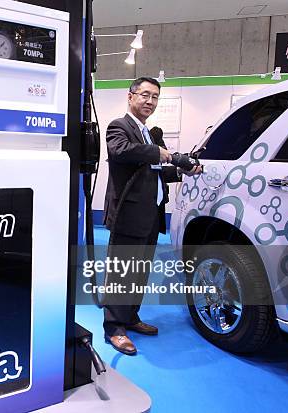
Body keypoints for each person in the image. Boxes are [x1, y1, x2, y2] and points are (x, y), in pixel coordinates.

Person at [102, 77, 201, 355]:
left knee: (140, 272)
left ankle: (130, 317)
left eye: (155, 97)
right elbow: (120, 151)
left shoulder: (150, 133)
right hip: (128, 214)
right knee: (122, 272)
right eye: (145, 95)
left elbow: (157, 171)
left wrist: (182, 170)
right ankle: (114, 328)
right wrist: (158, 152)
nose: (150, 101)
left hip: (150, 215)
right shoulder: (119, 127)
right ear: (130, 96)